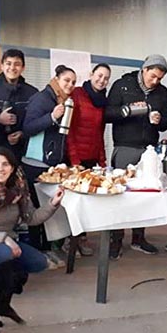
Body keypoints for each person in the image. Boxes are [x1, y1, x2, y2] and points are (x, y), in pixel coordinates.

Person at [105, 54, 167, 259]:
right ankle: (116, 240)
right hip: (124, 146)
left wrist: (159, 120)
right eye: (153, 76)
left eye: (159, 78)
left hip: (149, 149)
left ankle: (139, 238)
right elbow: (107, 114)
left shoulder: (162, 92)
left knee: (144, 196)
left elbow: (166, 122)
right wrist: (126, 111)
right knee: (120, 195)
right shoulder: (122, 85)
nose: (155, 81)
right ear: (144, 69)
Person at [22, 65, 77, 267]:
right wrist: (52, 117)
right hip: (35, 163)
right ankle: (39, 251)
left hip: (52, 163)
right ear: (56, 79)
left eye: (73, 82)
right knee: (37, 209)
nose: (70, 85)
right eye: (66, 81)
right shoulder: (42, 98)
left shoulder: (63, 101)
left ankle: (49, 249)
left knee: (51, 207)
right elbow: (27, 127)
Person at [64, 63, 112, 257]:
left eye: (106, 78)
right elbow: (69, 130)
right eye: (99, 75)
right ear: (91, 74)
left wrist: (102, 160)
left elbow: (99, 133)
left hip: (92, 157)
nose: (102, 80)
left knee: (87, 202)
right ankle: (69, 241)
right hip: (76, 157)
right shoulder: (76, 94)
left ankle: (81, 239)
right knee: (74, 202)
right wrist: (74, 160)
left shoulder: (103, 101)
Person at [0, 49, 38, 161]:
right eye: (8, 63)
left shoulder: (32, 93)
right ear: (1, 66)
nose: (12, 68)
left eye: (17, 64)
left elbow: (35, 121)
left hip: (19, 152)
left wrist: (22, 133)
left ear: (23, 68)